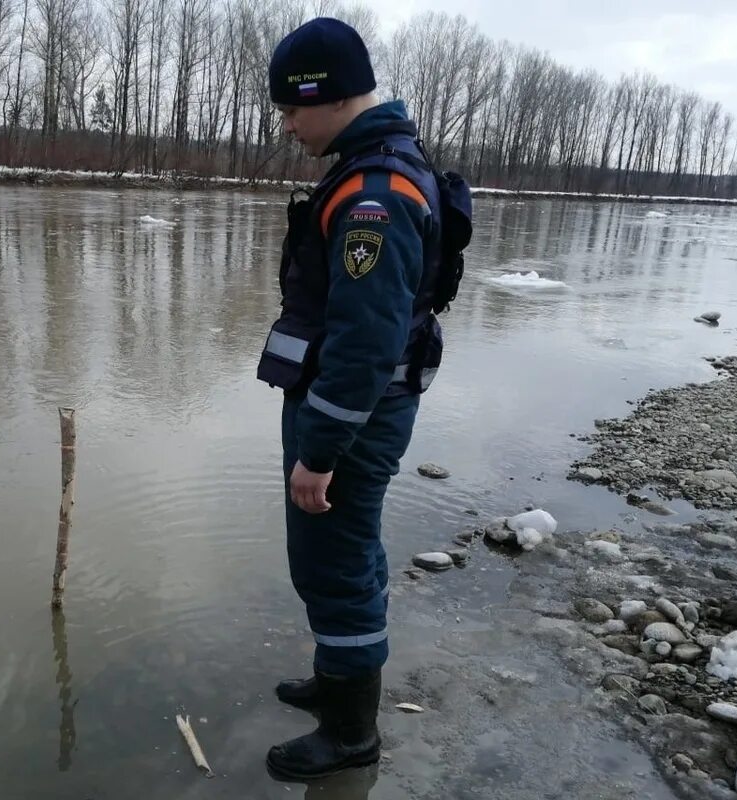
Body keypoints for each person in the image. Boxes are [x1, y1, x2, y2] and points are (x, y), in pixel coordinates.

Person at [256, 16, 469, 781]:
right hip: (357, 409)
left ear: (330, 95)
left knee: (334, 561)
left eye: (291, 108)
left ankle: (351, 736)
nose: (286, 124)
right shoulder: (378, 166)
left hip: (351, 417)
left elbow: (365, 346)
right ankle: (337, 681)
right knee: (341, 554)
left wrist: (319, 453)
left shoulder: (373, 195)